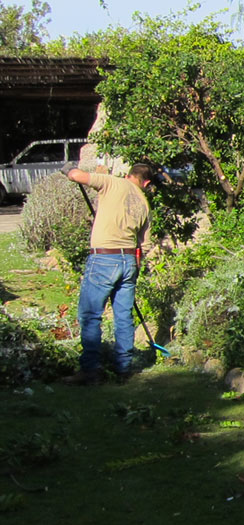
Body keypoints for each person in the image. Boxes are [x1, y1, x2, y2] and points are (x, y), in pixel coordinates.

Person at [60, 162, 154, 384]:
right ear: (146, 182)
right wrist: (134, 265)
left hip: (104, 257)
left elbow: (77, 176)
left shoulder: (113, 182)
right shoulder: (144, 203)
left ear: (128, 175)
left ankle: (91, 371)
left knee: (90, 315)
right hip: (129, 260)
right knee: (123, 316)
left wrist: (68, 169)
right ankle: (123, 369)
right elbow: (145, 244)